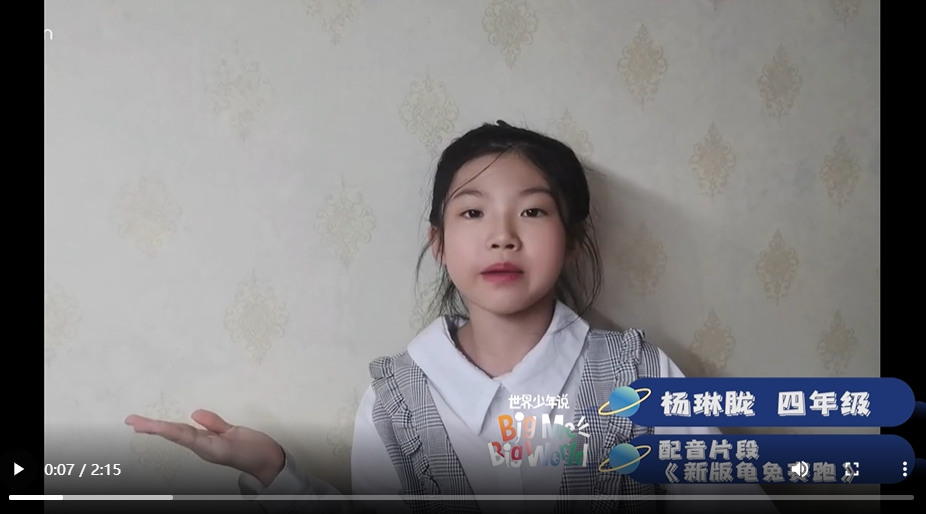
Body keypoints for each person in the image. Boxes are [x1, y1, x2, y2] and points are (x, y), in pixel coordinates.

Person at [125, 121, 779, 514]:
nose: (502, 236)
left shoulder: (639, 375)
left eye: (532, 211)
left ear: (574, 239)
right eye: (472, 212)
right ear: (438, 242)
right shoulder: (396, 400)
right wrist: (274, 471)